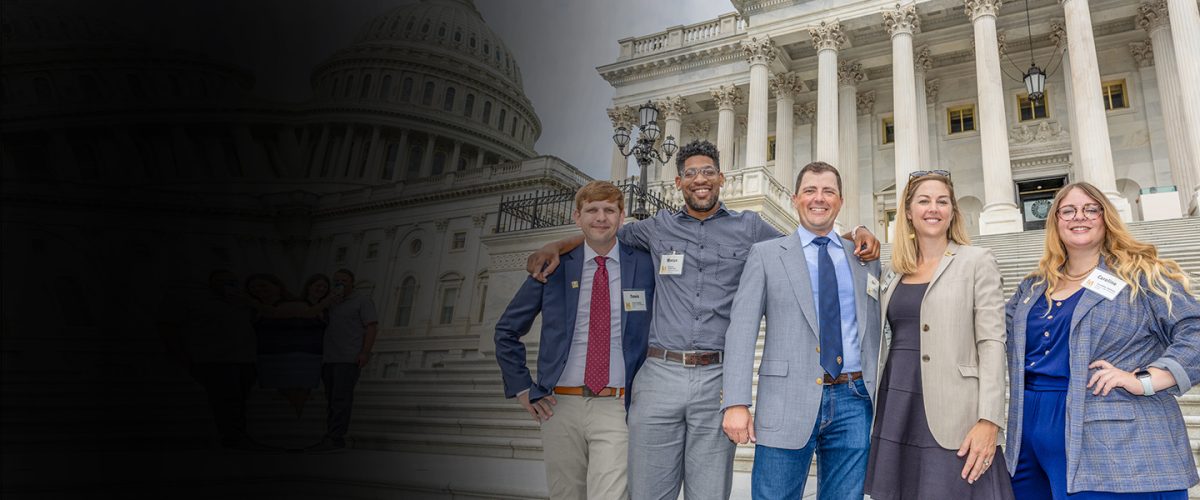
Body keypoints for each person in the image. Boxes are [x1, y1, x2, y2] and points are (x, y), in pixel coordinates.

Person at [526, 141, 881, 500]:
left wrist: (854, 234)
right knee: (647, 491)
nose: (701, 179)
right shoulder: (655, 228)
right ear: (679, 182)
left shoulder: (751, 228)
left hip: (716, 377)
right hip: (659, 373)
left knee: (710, 492)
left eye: (708, 171)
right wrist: (556, 246)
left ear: (722, 179)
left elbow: (802, 246)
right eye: (692, 173)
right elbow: (603, 235)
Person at [1005, 182, 1200, 499]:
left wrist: (1148, 379)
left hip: (1115, 441)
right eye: (1067, 211)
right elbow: (990, 335)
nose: (1078, 217)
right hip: (1028, 438)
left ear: (1105, 216)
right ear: (1055, 221)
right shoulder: (1033, 286)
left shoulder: (1140, 273)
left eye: (1090, 209)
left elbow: (1195, 329)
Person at [721, 161, 882, 499]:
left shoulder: (863, 258)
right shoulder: (765, 255)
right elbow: (741, 330)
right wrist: (736, 401)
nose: (818, 198)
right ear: (795, 198)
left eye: (828, 192)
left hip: (854, 401)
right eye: (810, 190)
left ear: (840, 201)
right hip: (785, 400)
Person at [494, 180, 655, 499]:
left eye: (609, 210)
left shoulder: (644, 265)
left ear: (622, 218)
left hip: (617, 405)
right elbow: (506, 330)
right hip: (559, 406)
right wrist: (524, 388)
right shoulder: (551, 268)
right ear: (576, 217)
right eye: (592, 210)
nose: (601, 217)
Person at [863, 171, 1013, 499]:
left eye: (942, 201)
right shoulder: (894, 270)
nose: (934, 208)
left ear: (953, 211)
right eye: (924, 201)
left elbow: (991, 343)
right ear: (907, 212)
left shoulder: (977, 261)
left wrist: (990, 419)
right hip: (898, 401)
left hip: (956, 409)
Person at [307, 268, 378, 453]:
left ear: (352, 283)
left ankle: (336, 436)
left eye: (344, 281)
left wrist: (365, 352)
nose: (340, 284)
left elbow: (371, 327)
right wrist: (327, 302)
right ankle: (331, 434)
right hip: (328, 358)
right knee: (330, 398)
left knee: (341, 399)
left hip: (349, 358)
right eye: (337, 280)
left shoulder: (362, 301)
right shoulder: (329, 302)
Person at [250, 273, 330, 417]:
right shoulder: (254, 308)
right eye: (254, 287)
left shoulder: (291, 304)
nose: (258, 289)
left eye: (263, 285)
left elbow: (287, 313)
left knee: (300, 392)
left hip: (306, 353)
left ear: (277, 286)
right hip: (270, 355)